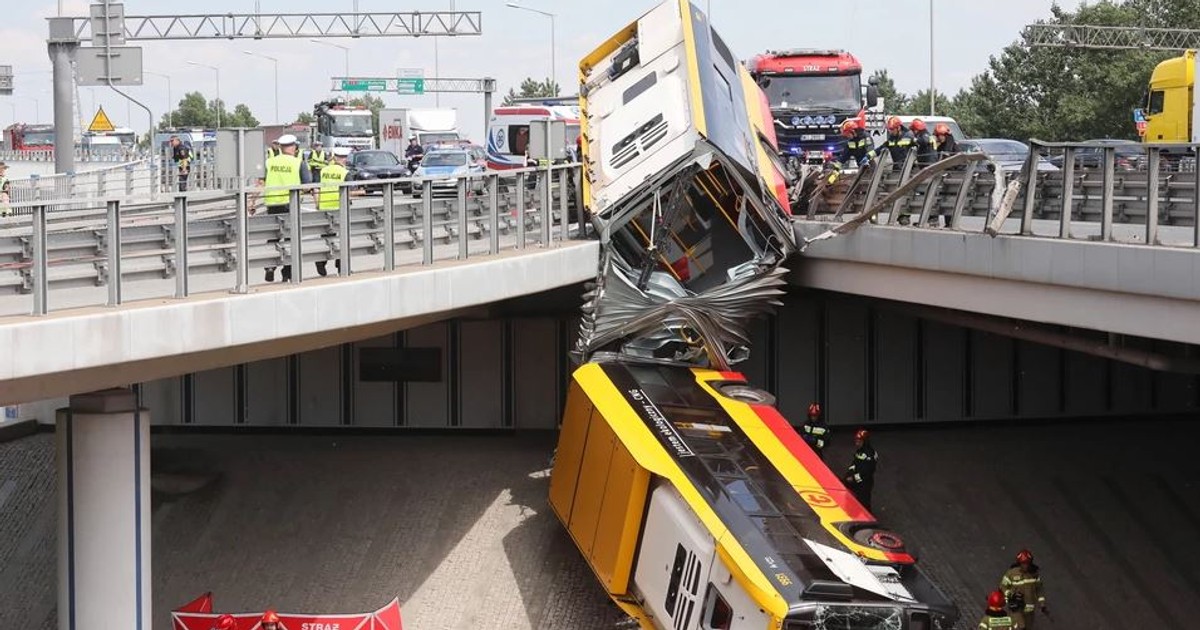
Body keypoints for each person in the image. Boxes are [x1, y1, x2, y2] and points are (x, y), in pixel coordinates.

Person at [258, 134, 312, 283]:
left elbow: (260, 183)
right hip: (290, 205)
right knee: (290, 239)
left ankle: (269, 266)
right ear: (294, 147)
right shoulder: (298, 163)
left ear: (280, 147)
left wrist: (251, 203)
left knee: (273, 236)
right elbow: (307, 185)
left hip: (272, 204)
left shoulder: (269, 162)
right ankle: (287, 273)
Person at [314, 146, 362, 277]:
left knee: (325, 238)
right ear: (344, 159)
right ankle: (342, 267)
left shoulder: (324, 170)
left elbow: (316, 189)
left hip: (324, 208)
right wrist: (363, 191)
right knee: (343, 239)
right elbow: (352, 192)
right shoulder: (345, 173)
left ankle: (320, 261)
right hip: (340, 208)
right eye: (344, 157)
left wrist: (317, 204)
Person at [1001, 549, 1048, 629]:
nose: (1025, 566)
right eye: (1023, 563)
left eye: (1027, 563)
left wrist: (1042, 604)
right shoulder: (1011, 573)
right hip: (1016, 607)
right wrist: (1011, 595)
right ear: (1019, 563)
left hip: (1029, 610)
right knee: (1021, 627)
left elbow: (1039, 589)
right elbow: (1002, 587)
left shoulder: (1034, 575)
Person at [843, 428, 878, 510]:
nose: (857, 443)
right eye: (856, 441)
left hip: (865, 483)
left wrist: (853, 478)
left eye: (859, 441)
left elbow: (867, 472)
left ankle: (868, 521)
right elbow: (854, 464)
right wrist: (849, 473)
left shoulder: (870, 455)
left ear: (865, 442)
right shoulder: (860, 451)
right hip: (857, 479)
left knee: (864, 504)